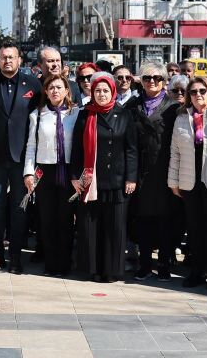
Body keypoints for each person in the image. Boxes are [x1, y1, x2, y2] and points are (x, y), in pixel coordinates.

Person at [0, 43, 42, 274]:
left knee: (19, 208)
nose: (7, 61)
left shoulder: (32, 84)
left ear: (19, 60)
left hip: (22, 158)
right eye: (3, 57)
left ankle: (15, 256)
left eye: (11, 57)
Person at [71, 73, 139, 283]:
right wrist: (75, 176)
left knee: (114, 227)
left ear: (113, 92)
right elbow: (76, 148)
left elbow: (131, 149)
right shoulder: (86, 115)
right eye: (98, 91)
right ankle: (93, 268)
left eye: (105, 90)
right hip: (91, 180)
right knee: (92, 226)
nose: (101, 94)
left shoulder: (124, 114)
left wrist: (131, 178)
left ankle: (111, 270)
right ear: (92, 92)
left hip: (117, 180)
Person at [169, 76, 207, 290]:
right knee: (195, 230)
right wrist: (173, 181)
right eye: (193, 92)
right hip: (189, 182)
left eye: (202, 91)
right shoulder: (181, 119)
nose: (198, 95)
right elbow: (175, 153)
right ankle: (196, 272)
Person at [23, 74, 78, 277]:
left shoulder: (76, 113)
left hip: (68, 171)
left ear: (66, 91)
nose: (55, 91)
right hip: (45, 172)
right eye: (51, 88)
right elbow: (31, 146)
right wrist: (28, 173)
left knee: (65, 219)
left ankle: (64, 263)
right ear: (45, 91)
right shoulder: (37, 115)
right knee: (47, 220)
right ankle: (50, 263)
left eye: (59, 87)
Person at [131, 62, 177, 280]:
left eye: (157, 78)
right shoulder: (133, 105)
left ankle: (164, 263)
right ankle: (145, 263)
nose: (152, 81)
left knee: (166, 219)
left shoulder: (174, 108)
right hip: (141, 169)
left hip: (165, 169)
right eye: (147, 77)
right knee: (143, 219)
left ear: (164, 82)